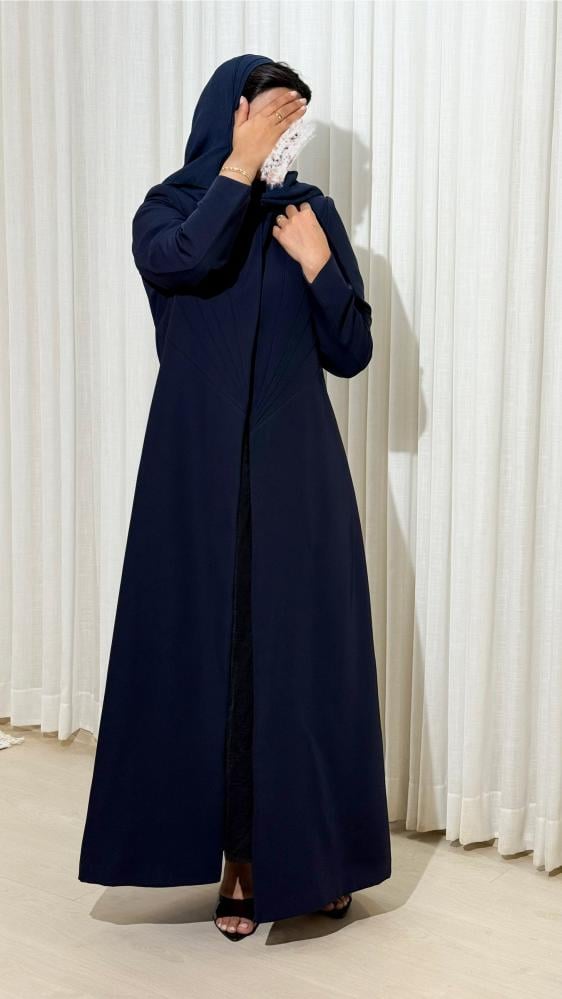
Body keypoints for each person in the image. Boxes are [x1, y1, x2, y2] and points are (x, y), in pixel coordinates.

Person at [78, 54, 391, 943]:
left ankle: (319, 858)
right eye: (274, 117)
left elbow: (352, 350)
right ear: (235, 113)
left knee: (300, 663)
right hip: (194, 471)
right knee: (215, 659)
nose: (288, 138)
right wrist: (238, 168)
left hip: (298, 474)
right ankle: (239, 863)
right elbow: (183, 262)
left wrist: (321, 263)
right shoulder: (171, 208)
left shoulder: (306, 213)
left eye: (297, 124)